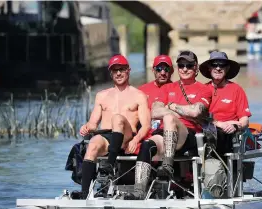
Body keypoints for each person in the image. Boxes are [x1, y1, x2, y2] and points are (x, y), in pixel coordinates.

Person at [125, 50, 213, 200]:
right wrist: (183, 110)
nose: (185, 69)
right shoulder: (168, 88)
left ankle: (167, 167)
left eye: (189, 66)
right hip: (166, 132)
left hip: (188, 135)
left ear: (196, 68)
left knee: (169, 118)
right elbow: (155, 111)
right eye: (181, 65)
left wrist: (172, 107)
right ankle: (139, 191)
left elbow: (196, 112)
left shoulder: (204, 89)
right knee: (147, 144)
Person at [78, 54, 151, 199]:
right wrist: (87, 126)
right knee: (92, 145)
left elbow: (146, 125)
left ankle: (109, 166)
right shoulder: (101, 95)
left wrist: (136, 140)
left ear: (128, 71)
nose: (118, 73)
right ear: (111, 73)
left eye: (122, 69)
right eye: (115, 70)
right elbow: (93, 122)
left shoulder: (139, 95)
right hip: (107, 136)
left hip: (127, 135)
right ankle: (84, 193)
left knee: (117, 118)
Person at [124, 55, 174, 200]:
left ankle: (145, 190)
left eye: (166, 69)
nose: (162, 72)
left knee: (149, 144)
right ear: (153, 70)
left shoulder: (176, 89)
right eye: (159, 69)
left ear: (171, 71)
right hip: (143, 133)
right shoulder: (142, 91)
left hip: (165, 136)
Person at [199, 51, 251, 155]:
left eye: (222, 65)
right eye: (214, 64)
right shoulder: (202, 89)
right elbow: (199, 117)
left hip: (230, 134)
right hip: (209, 131)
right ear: (209, 68)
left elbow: (245, 120)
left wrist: (236, 126)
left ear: (227, 69)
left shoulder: (236, 89)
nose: (218, 68)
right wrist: (219, 124)